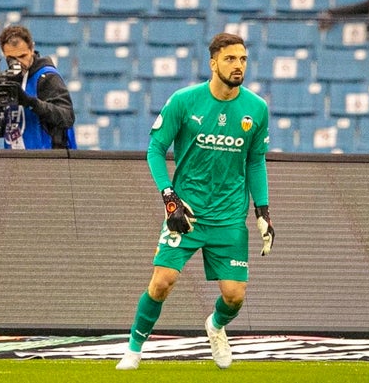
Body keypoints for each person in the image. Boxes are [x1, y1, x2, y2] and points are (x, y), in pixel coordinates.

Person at [116, 33, 274, 371]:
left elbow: (255, 160)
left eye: (243, 59)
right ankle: (133, 349)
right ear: (213, 62)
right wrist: (169, 198)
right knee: (162, 282)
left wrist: (263, 209)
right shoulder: (184, 101)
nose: (238, 66)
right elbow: (155, 150)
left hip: (230, 216)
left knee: (235, 296)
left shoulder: (257, 109)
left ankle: (215, 326)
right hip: (186, 212)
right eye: (231, 59)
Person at [0, 25, 76, 149]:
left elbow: (67, 117)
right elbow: (11, 124)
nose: (19, 63)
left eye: (22, 56)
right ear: (4, 54)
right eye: (12, 58)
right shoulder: (7, 81)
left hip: (46, 160)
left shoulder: (46, 77)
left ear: (32, 48)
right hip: (15, 159)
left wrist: (30, 102)